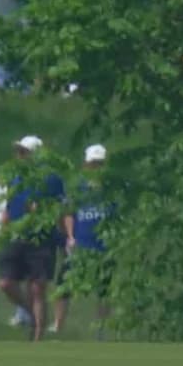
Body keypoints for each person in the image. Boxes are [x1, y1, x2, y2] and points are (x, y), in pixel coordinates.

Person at [0, 136, 65, 342]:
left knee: (37, 287)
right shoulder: (15, 177)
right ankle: (30, 314)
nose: (19, 155)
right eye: (19, 151)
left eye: (24, 152)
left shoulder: (52, 179)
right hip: (17, 235)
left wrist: (63, 237)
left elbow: (61, 209)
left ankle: (37, 339)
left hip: (41, 238)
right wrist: (3, 230)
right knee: (6, 283)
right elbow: (9, 206)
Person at [53, 144, 115, 336]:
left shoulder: (111, 187)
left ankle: (100, 330)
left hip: (104, 246)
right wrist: (70, 236)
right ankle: (58, 326)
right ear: (86, 164)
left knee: (104, 290)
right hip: (80, 245)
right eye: (93, 164)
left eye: (99, 164)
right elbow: (69, 213)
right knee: (64, 286)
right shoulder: (78, 186)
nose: (96, 167)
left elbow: (118, 215)